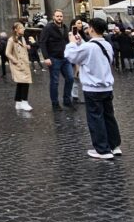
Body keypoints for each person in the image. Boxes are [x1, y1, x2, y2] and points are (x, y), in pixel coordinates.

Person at [65, 17, 122, 160]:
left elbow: (71, 56)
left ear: (91, 29)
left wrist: (72, 43)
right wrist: (80, 42)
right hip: (107, 87)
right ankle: (114, 146)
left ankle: (102, 149)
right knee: (109, 117)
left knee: (95, 118)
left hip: (93, 88)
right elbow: (91, 50)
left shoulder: (89, 47)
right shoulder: (107, 45)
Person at [40, 10, 73, 110]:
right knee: (55, 82)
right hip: (54, 58)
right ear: (54, 17)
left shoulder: (65, 27)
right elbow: (42, 42)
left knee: (70, 78)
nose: (59, 18)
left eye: (61, 16)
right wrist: (46, 57)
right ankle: (55, 103)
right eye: (57, 16)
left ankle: (67, 100)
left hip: (65, 58)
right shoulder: (48, 28)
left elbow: (67, 41)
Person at [5, 22, 33, 111]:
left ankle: (18, 102)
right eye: (21, 28)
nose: (23, 29)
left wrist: (27, 46)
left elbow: (22, 47)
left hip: (24, 64)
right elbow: (7, 53)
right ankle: (24, 102)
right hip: (18, 65)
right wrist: (15, 61)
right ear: (16, 30)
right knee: (25, 83)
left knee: (21, 83)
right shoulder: (11, 40)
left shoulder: (23, 38)